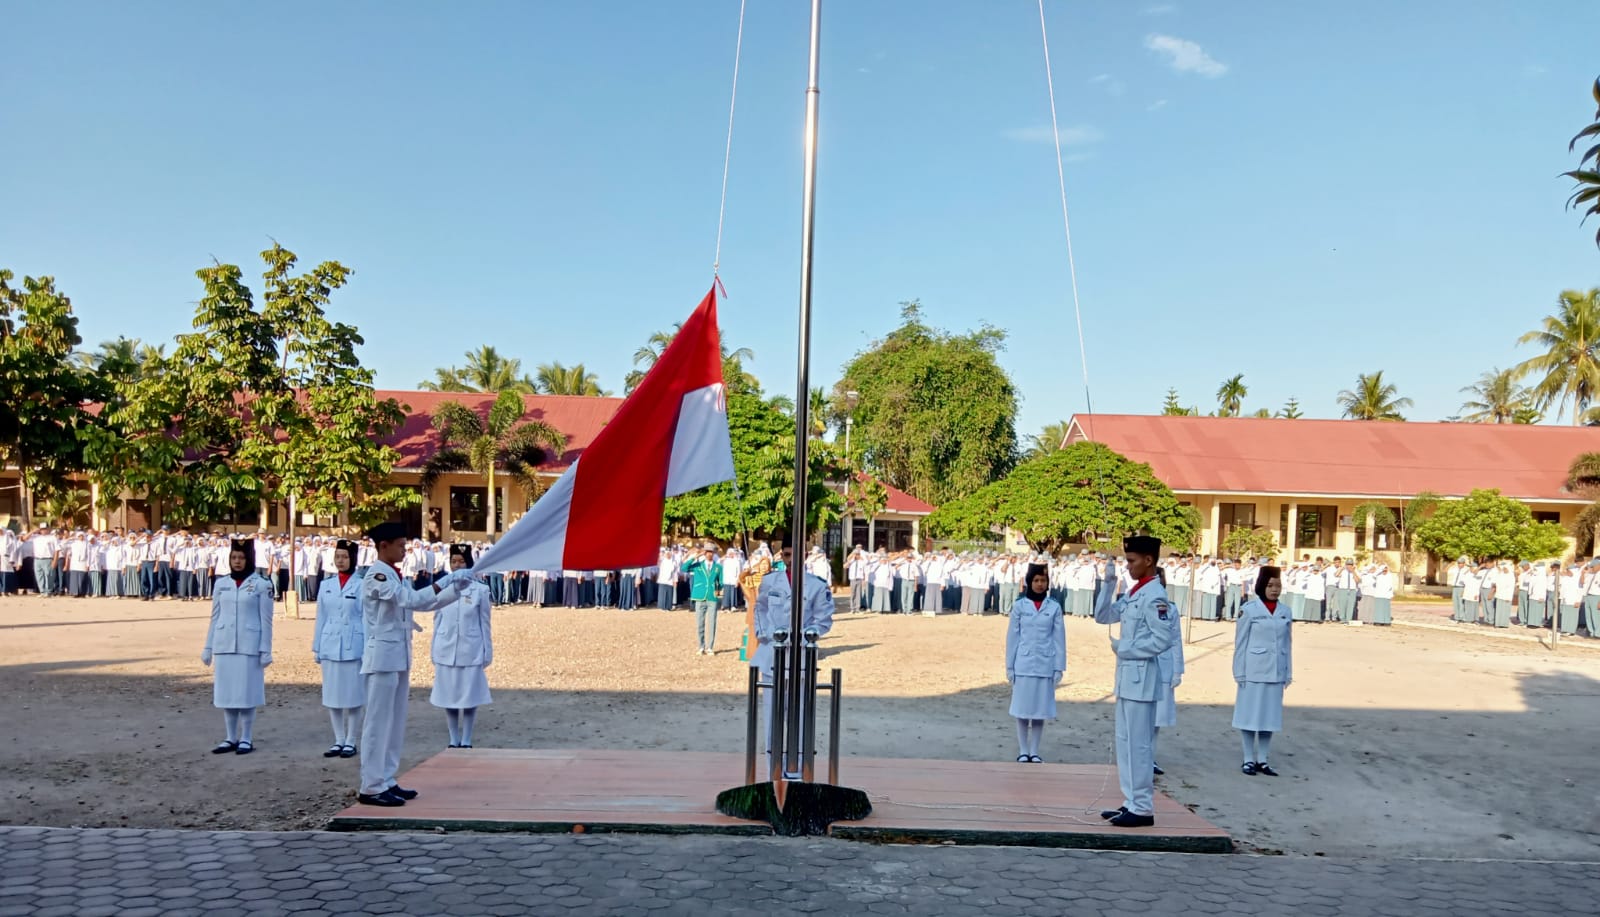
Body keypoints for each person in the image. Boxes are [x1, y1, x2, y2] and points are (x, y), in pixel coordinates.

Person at [356, 521, 472, 807]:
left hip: (397, 655)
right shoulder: (377, 576)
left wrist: (455, 590)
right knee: (377, 722)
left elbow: (425, 604)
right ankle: (370, 785)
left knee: (394, 721)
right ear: (383, 546)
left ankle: (386, 777)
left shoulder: (395, 575)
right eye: (400, 545)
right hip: (382, 657)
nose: (404, 550)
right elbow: (412, 599)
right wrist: (445, 580)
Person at [1092, 535, 1176, 829]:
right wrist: (1108, 582)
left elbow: (1163, 639)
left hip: (1142, 679)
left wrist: (1127, 650)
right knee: (1125, 742)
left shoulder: (1155, 596)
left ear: (1149, 560)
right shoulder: (1135, 592)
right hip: (1127, 678)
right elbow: (1103, 616)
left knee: (1139, 745)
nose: (1128, 565)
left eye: (1131, 560)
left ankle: (1142, 806)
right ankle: (1131, 801)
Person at [752, 536, 835, 756]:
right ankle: (773, 769)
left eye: (796, 555)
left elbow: (823, 621)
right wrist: (764, 633)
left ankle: (798, 768)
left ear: (805, 556)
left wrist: (806, 635)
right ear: (782, 556)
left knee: (800, 716)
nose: (791, 560)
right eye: (787, 555)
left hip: (801, 656)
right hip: (772, 654)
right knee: (772, 716)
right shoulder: (770, 581)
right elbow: (759, 608)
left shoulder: (817, 585)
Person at [201, 539, 275, 756]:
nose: (237, 562)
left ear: (249, 559)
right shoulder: (221, 584)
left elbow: (266, 620)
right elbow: (215, 617)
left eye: (241, 558)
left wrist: (265, 649)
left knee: (246, 693)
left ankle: (246, 737)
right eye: (234, 557)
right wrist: (208, 646)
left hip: (248, 644)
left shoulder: (262, 584)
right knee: (228, 694)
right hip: (225, 644)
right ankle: (230, 737)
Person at [431, 544, 494, 749]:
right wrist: (433, 648)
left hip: (470, 648)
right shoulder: (442, 588)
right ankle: (453, 738)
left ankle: (466, 738)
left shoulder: (480, 590)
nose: (457, 565)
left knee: (469, 696)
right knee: (448, 696)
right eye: (453, 561)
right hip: (446, 647)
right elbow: (436, 620)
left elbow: (485, 622)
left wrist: (487, 651)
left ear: (469, 563)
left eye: (461, 561)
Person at [1233, 566, 1293, 776]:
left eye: (1278, 585)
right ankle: (1248, 758)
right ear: (1261, 586)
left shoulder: (1285, 611)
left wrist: (1288, 672)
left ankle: (1263, 760)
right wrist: (1239, 671)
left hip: (1276, 671)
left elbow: (1288, 644)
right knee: (1250, 715)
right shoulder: (1249, 610)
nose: (1274, 590)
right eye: (1270, 585)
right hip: (1253, 671)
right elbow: (1240, 643)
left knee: (1269, 717)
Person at [1004, 563, 1065, 764]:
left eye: (1043, 580)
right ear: (1029, 582)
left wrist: (1059, 666)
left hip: (1045, 664)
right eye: (1036, 580)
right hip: (1023, 662)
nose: (1040, 584)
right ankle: (1023, 750)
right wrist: (1010, 666)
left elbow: (1059, 639)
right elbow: (1013, 637)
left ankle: (1034, 751)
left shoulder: (1054, 607)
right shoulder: (1020, 606)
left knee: (1040, 711)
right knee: (1022, 710)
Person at [313, 539, 365, 759]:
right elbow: (321, 617)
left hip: (354, 644)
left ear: (353, 559)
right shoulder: (326, 585)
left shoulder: (361, 584)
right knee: (332, 695)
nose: (340, 561)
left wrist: (368, 648)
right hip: (331, 643)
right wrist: (317, 647)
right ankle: (338, 739)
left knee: (353, 696)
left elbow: (365, 617)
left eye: (345, 557)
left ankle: (351, 740)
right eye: (337, 557)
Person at [683, 542, 724, 655]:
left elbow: (721, 581)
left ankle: (710, 646)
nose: (709, 554)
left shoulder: (718, 567)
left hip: (711, 597)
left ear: (714, 553)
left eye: (711, 552)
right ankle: (701, 646)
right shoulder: (698, 565)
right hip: (700, 596)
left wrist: (717, 589)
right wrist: (695, 557)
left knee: (712, 623)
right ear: (704, 553)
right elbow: (684, 568)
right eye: (707, 552)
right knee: (699, 623)